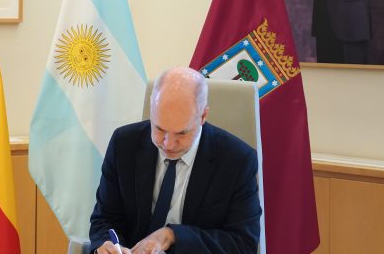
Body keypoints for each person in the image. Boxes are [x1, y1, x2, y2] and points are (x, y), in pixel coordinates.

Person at [89, 68, 261, 254]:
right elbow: (105, 219)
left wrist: (173, 235)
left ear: (203, 116)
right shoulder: (123, 144)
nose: (168, 144)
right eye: (160, 129)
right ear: (152, 109)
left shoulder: (237, 161)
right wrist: (106, 244)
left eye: (182, 133)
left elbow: (242, 244)